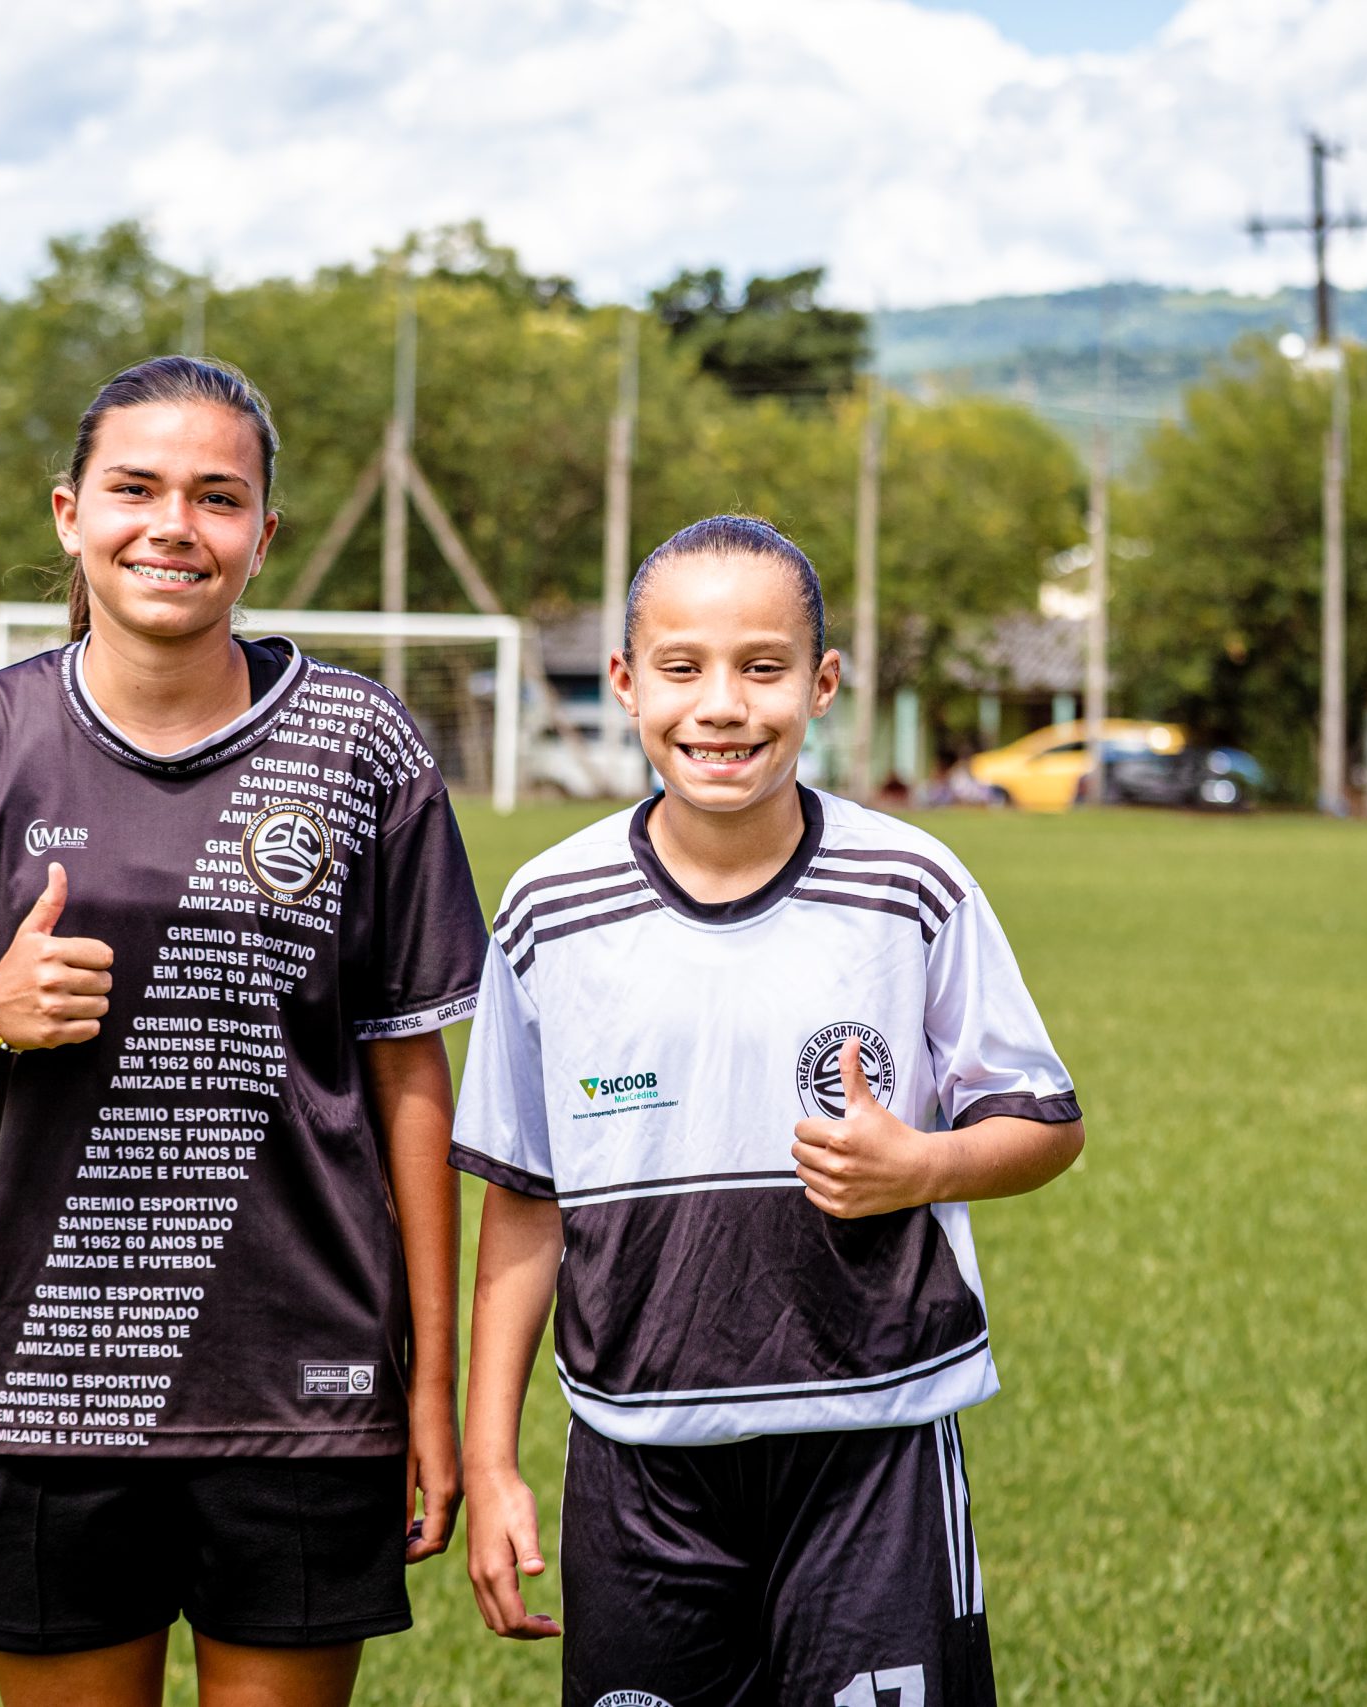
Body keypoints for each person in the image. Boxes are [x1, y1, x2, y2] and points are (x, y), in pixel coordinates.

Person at [0, 355, 485, 1707]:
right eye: (136, 487)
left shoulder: (365, 744)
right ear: (70, 514)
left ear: (262, 534)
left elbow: (413, 1078)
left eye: (217, 495)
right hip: (53, 1387)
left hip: (304, 1384)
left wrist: (432, 1388)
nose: (174, 523)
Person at [456, 515, 1085, 1707]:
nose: (723, 707)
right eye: (684, 669)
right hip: (638, 1463)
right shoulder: (548, 910)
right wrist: (491, 1460)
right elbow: (523, 1201)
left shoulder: (910, 886)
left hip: (871, 1445)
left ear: (822, 683)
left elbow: (1048, 1127)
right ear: (627, 684)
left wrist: (922, 1166)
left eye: (763, 668)